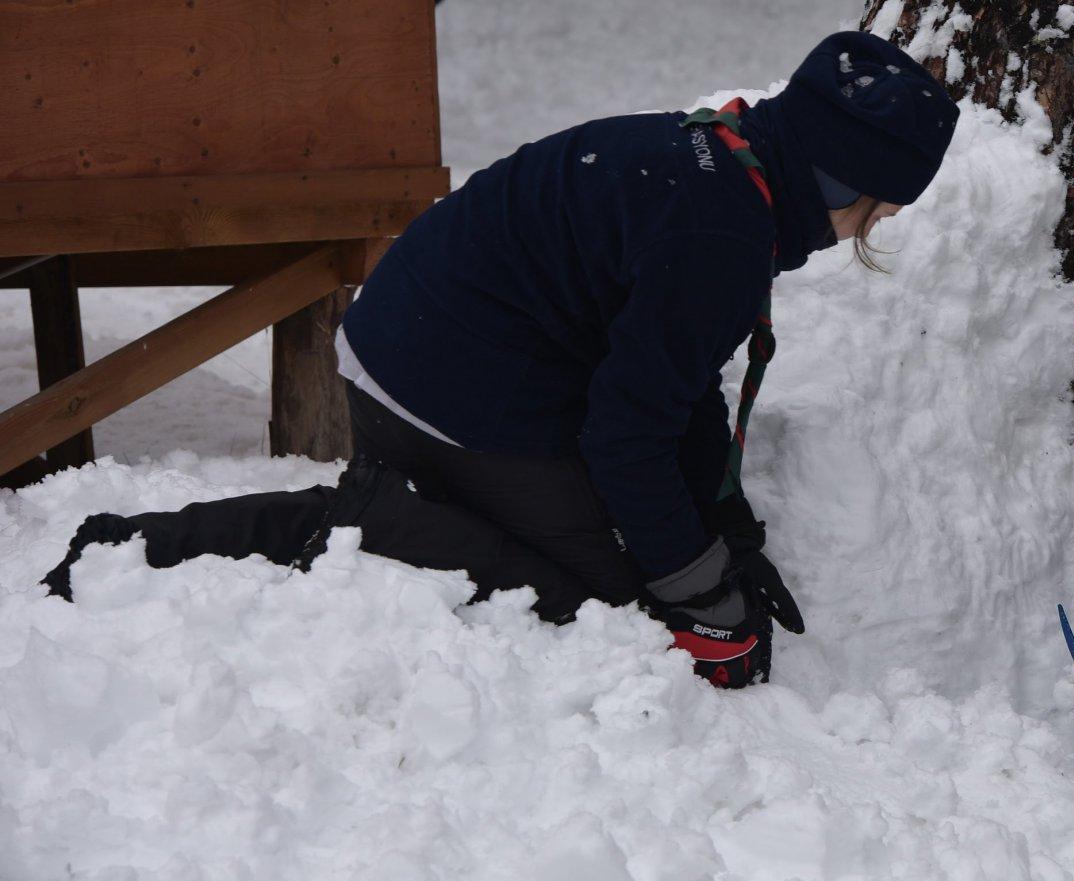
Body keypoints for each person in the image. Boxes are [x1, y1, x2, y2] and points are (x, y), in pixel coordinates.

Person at [41, 31, 959, 690]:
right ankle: (344, 521)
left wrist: (728, 530)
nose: (862, 233)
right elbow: (630, 432)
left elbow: (674, 385)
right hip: (444, 389)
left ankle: (427, 503)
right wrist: (698, 595)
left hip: (404, 345)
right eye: (876, 212)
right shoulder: (724, 228)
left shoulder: (716, 160)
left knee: (646, 551)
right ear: (848, 183)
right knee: (605, 596)